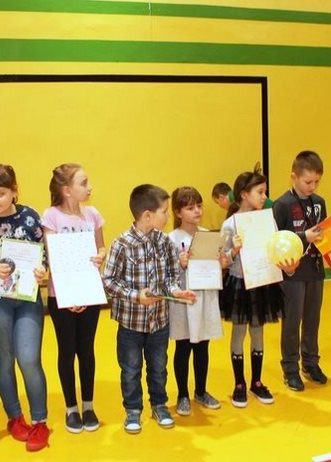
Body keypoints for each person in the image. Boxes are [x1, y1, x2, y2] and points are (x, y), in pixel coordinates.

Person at [0, 164, 50, 452]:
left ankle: (40, 421)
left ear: (14, 191)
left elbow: (44, 255)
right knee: (4, 359)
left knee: (29, 359)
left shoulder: (30, 217)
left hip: (28, 300)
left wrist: (43, 271)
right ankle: (15, 417)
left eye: (0, 193)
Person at [101, 184, 196, 434]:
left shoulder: (164, 242)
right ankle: (133, 410)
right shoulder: (122, 243)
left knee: (158, 367)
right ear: (147, 215)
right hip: (131, 324)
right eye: (164, 211)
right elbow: (108, 281)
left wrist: (176, 291)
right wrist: (135, 296)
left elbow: (171, 276)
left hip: (159, 322)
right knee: (130, 369)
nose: (167, 216)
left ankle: (159, 405)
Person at [220, 171, 294, 408]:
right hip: (240, 283)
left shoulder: (267, 220)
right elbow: (222, 260)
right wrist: (233, 250)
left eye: (265, 192)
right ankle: (239, 383)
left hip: (262, 282)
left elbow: (274, 248)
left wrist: (285, 263)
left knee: (258, 332)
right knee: (239, 332)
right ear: (244, 194)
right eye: (260, 192)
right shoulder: (230, 224)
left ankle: (257, 381)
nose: (264, 197)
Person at [42, 164, 106, 434]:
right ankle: (71, 408)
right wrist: (71, 295)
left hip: (89, 293)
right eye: (84, 182)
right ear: (67, 190)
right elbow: (54, 257)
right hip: (63, 296)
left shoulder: (93, 215)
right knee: (67, 351)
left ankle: (88, 405)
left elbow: (101, 245)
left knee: (87, 350)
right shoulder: (51, 217)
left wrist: (101, 255)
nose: (89, 187)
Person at [272, 151, 328, 391]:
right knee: (292, 321)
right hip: (292, 273)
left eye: (317, 182)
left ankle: (311, 362)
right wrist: (305, 237)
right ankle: (290, 368)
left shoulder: (319, 202)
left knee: (313, 320)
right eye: (308, 182)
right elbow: (276, 240)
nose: (312, 187)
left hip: (315, 269)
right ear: (293, 177)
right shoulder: (282, 204)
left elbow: (324, 233)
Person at [168, 187, 223, 416]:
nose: (197, 211)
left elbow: (217, 265)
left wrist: (222, 261)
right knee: (183, 347)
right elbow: (167, 274)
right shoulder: (171, 239)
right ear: (178, 212)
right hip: (183, 300)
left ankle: (201, 391)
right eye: (190, 208)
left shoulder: (208, 235)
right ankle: (182, 394)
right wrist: (179, 264)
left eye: (199, 206)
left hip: (205, 297)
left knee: (202, 346)